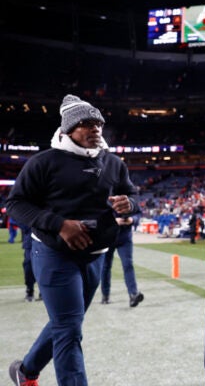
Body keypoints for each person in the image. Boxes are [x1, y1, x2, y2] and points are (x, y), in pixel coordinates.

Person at [5, 94, 138, 386]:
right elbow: (15, 204)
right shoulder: (44, 162)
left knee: (66, 323)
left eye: (98, 124)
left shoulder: (113, 163)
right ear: (67, 130)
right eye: (86, 124)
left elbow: (132, 195)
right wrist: (59, 224)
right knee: (69, 328)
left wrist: (129, 203)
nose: (95, 129)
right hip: (55, 254)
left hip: (96, 254)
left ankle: (25, 372)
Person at [100, 209, 144, 307]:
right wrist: (113, 221)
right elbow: (98, 214)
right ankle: (105, 295)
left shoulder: (129, 196)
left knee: (128, 264)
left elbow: (138, 213)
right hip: (108, 237)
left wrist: (132, 219)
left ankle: (133, 294)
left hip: (124, 238)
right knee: (106, 266)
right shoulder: (106, 196)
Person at [19, 222, 39, 302]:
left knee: (48, 267)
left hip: (47, 240)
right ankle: (29, 290)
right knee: (28, 265)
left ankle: (44, 292)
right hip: (30, 240)